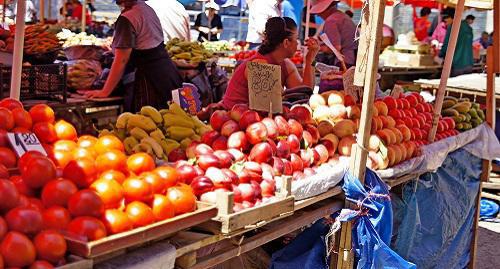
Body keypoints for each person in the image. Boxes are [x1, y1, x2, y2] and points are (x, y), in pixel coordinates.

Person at [82, 0, 182, 112]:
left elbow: (122, 60)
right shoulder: (146, 9)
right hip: (167, 74)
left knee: (149, 123)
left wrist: (105, 91)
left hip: (149, 80)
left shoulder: (128, 18)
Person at [222, 17, 319, 109]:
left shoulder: (285, 64)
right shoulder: (259, 66)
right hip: (232, 120)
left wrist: (310, 59)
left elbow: (304, 94)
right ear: (286, 43)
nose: (298, 43)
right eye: (296, 38)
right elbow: (267, 109)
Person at [310, 0, 357, 68]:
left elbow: (335, 48)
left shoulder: (331, 21)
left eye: (318, 13)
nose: (317, 15)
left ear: (325, 9)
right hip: (353, 59)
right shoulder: (341, 16)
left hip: (345, 61)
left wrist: (317, 48)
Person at [439, 8, 474, 77]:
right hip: (469, 63)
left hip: (457, 64)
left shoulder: (453, 27)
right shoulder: (468, 27)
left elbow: (446, 46)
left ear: (452, 17)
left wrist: (439, 55)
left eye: (445, 18)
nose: (444, 21)